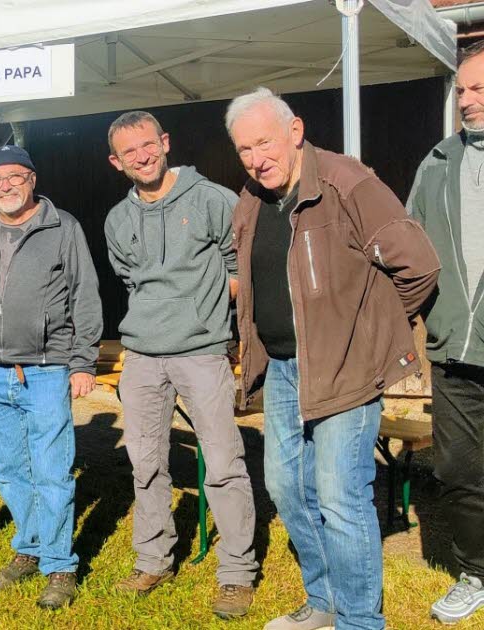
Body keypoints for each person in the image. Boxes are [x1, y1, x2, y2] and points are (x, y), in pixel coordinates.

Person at [226, 87, 439, 630]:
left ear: (295, 131)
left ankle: (362, 621)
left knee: (342, 498)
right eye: (245, 149)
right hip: (282, 368)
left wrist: (370, 336)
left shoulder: (348, 184)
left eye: (266, 142)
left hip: (344, 369)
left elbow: (418, 266)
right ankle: (324, 604)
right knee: (287, 488)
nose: (257, 158)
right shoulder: (251, 197)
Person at [103, 112, 258, 617]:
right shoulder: (117, 219)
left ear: (165, 142)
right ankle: (153, 558)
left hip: (202, 352)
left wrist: (203, 310)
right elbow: (132, 281)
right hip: (142, 357)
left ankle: (236, 571)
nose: (142, 156)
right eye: (130, 152)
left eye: (148, 145)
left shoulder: (213, 200)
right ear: (116, 161)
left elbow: (242, 269)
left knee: (222, 463)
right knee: (145, 463)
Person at [0, 145, 102, 610]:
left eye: (13, 177)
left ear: (32, 179)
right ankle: (31, 545)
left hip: (45, 370)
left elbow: (86, 297)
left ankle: (60, 564)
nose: (4, 187)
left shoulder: (64, 228)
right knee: (11, 470)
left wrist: (82, 362)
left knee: (53, 470)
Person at [408, 39, 484, 626]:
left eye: (480, 88)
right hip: (455, 351)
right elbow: (412, 251)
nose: (467, 99)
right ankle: (475, 571)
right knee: (457, 470)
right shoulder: (435, 163)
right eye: (462, 89)